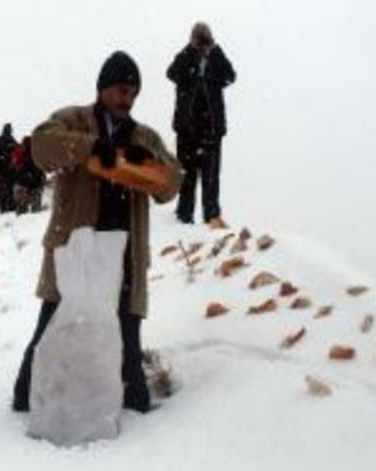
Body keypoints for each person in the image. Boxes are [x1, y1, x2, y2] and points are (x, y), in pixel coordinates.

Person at [12, 51, 182, 413]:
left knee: (129, 357)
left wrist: (144, 163)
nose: (127, 98)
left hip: (124, 260)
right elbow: (41, 147)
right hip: (75, 252)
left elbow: (171, 185)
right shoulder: (73, 119)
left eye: (133, 92)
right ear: (103, 88)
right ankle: (32, 399)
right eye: (121, 90)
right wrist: (90, 148)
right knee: (47, 341)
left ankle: (134, 414)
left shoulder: (144, 137)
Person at [168, 21, 236, 229]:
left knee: (211, 179)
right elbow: (171, 73)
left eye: (207, 42)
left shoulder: (215, 60)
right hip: (187, 131)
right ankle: (183, 218)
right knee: (186, 178)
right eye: (200, 42)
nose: (203, 46)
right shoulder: (185, 59)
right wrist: (190, 50)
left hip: (211, 131)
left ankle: (212, 220)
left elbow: (231, 76)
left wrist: (215, 51)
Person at [12, 136, 45, 214]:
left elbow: (15, 166)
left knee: (21, 208)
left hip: (22, 182)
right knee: (36, 208)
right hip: (36, 182)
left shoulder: (20, 153)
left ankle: (22, 217)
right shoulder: (37, 154)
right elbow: (41, 169)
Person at [0, 123, 18, 213]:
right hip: (10, 171)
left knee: (3, 193)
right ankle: (10, 210)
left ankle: (4, 210)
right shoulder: (13, 142)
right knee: (9, 193)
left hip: (2, 171)